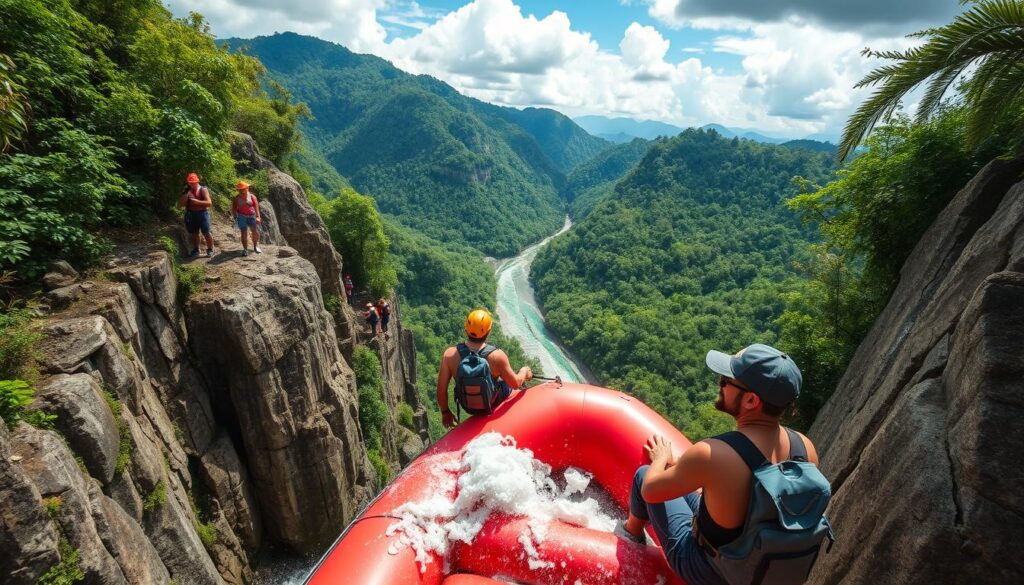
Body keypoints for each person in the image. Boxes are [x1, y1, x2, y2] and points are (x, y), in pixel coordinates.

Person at [621, 344, 832, 585]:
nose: (720, 383)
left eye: (727, 381)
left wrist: (660, 459)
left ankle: (631, 536)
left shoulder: (714, 454)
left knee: (643, 475)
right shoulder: (805, 448)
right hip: (753, 565)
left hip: (709, 571)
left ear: (752, 400)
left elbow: (651, 490)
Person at [436, 309, 532, 428]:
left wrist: (445, 412)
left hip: (467, 406)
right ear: (489, 331)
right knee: (515, 387)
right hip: (492, 402)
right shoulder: (497, 356)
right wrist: (524, 372)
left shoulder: (449, 355)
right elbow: (515, 383)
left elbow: (441, 390)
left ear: (466, 328)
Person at [178, 172, 214, 257]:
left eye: (194, 183)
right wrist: (185, 196)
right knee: (194, 233)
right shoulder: (186, 191)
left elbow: (209, 203)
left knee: (207, 232)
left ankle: (210, 249)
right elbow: (179, 205)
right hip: (191, 214)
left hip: (202, 214)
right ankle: (196, 250)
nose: (192, 184)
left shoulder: (203, 189)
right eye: (190, 183)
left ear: (197, 182)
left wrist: (197, 202)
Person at [231, 181, 262, 257]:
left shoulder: (252, 197)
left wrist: (258, 217)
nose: (241, 191)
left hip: (252, 216)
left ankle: (255, 246)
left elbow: (256, 207)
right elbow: (234, 208)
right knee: (243, 232)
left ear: (247, 188)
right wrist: (235, 216)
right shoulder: (236, 198)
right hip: (241, 217)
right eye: (239, 189)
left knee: (255, 232)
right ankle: (245, 249)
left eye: (243, 189)